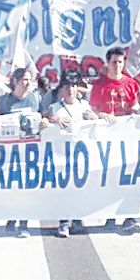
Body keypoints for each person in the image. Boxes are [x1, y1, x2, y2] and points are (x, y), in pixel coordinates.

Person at [89, 47, 140, 233]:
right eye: (114, 62)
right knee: (111, 177)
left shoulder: (131, 84)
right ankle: (110, 216)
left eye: (121, 62)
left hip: (127, 138)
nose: (118, 65)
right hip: (107, 139)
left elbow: (136, 107)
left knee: (130, 177)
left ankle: (129, 216)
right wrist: (102, 115)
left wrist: (134, 114)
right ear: (107, 63)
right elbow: (92, 111)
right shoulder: (99, 85)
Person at [43, 70, 97, 238]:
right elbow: (44, 119)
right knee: (64, 189)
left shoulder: (83, 106)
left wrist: (93, 117)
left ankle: (78, 219)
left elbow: (95, 122)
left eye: (73, 86)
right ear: (61, 89)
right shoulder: (55, 107)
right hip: (61, 155)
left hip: (81, 155)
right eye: (66, 86)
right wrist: (53, 120)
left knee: (79, 188)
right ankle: (64, 222)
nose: (70, 90)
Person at [0, 67, 43, 238]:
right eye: (24, 79)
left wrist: (44, 122)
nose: (28, 82)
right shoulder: (4, 101)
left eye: (29, 79)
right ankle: (11, 218)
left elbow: (42, 117)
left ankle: (24, 223)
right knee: (11, 188)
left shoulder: (35, 99)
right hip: (9, 152)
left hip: (29, 151)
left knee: (26, 189)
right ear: (15, 81)